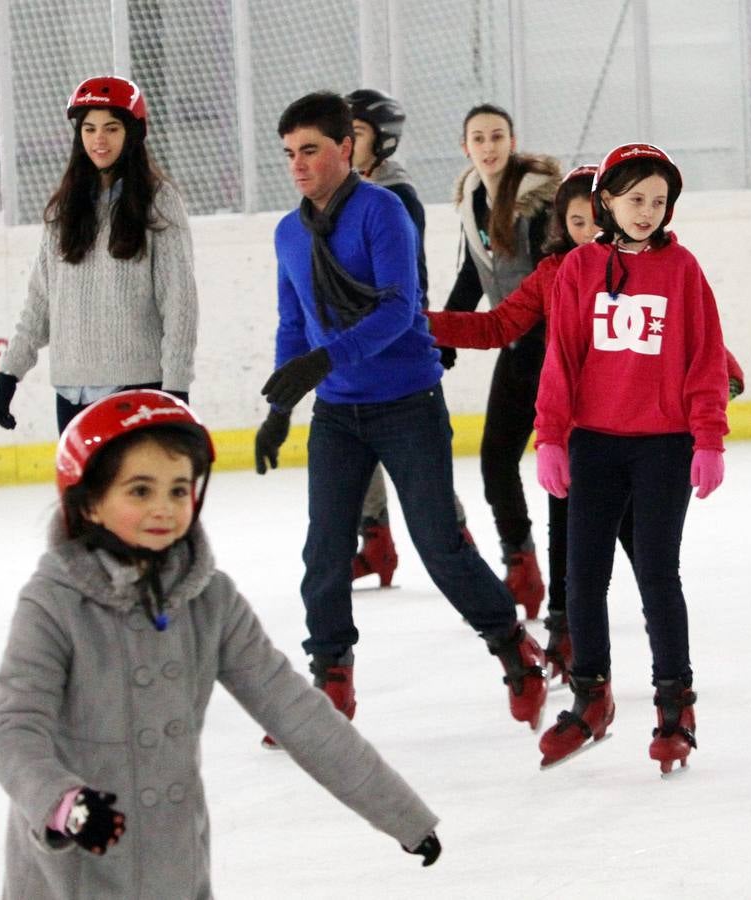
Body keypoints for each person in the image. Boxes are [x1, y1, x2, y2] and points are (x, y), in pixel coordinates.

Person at [0, 390, 440, 898]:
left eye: (179, 491)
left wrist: (402, 814)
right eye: (140, 491)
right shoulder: (55, 603)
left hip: (173, 870)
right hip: (71, 875)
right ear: (89, 501)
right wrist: (62, 804)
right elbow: (13, 733)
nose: (164, 508)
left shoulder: (209, 599)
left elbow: (294, 710)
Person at [252, 92, 546, 745]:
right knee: (323, 550)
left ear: (345, 149)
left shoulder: (381, 212)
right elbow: (292, 322)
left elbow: (398, 310)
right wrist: (280, 407)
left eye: (310, 150)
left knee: (440, 545)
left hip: (406, 403)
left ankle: (512, 646)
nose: (297, 165)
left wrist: (323, 361)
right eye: (288, 153)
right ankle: (331, 676)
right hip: (336, 412)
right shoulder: (288, 233)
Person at [428, 164, 748, 683]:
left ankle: (664, 677)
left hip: (648, 431)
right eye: (575, 222)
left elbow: (689, 334)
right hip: (582, 426)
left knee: (648, 560)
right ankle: (569, 641)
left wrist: (717, 399)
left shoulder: (668, 265)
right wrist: (425, 326)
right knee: (575, 550)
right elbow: (497, 325)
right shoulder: (561, 271)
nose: (586, 232)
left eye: (588, 221)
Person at [532, 143, 729, 775]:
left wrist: (709, 438)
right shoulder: (580, 270)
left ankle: (675, 706)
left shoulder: (684, 271)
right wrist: (552, 437)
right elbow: (561, 360)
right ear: (606, 202)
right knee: (582, 574)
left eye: (659, 201)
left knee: (655, 570)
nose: (647, 211)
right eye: (636, 199)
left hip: (664, 445)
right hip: (594, 442)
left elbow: (705, 358)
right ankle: (591, 697)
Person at [0, 76, 198, 435]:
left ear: (132, 133)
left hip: (137, 389)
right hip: (71, 394)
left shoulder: (159, 201)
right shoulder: (63, 208)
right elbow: (41, 301)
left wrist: (176, 388)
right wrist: (10, 373)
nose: (98, 139)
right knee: (84, 494)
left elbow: (179, 301)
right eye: (88, 129)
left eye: (111, 128)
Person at [344, 88, 472, 588]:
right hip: (353, 340)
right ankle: (375, 541)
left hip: (392, 342)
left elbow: (408, 278)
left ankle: (461, 549)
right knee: (355, 447)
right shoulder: (347, 189)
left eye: (354, 134)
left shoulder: (395, 195)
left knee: (416, 461)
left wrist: (417, 332)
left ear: (383, 141)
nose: (343, 143)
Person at [441, 103, 561, 619]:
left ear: (512, 141)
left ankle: (575, 579)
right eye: (478, 138)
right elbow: (473, 274)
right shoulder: (473, 199)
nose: (488, 147)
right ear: (465, 147)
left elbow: (549, 280)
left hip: (553, 349)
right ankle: (521, 562)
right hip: (514, 346)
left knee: (566, 472)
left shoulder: (537, 202)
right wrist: (444, 334)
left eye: (497, 136)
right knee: (496, 461)